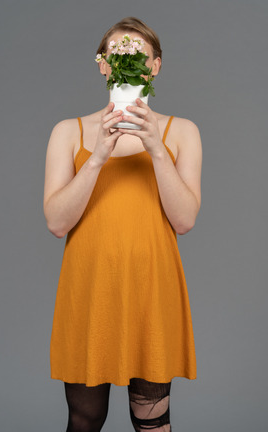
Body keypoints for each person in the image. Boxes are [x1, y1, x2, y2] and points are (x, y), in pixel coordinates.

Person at [43, 16, 202, 432]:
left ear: (155, 66)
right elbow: (57, 222)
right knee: (85, 417)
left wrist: (156, 149)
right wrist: (96, 156)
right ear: (102, 64)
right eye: (116, 53)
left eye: (137, 54)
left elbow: (184, 220)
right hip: (90, 289)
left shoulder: (182, 132)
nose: (126, 62)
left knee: (153, 422)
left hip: (152, 290)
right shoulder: (68, 132)